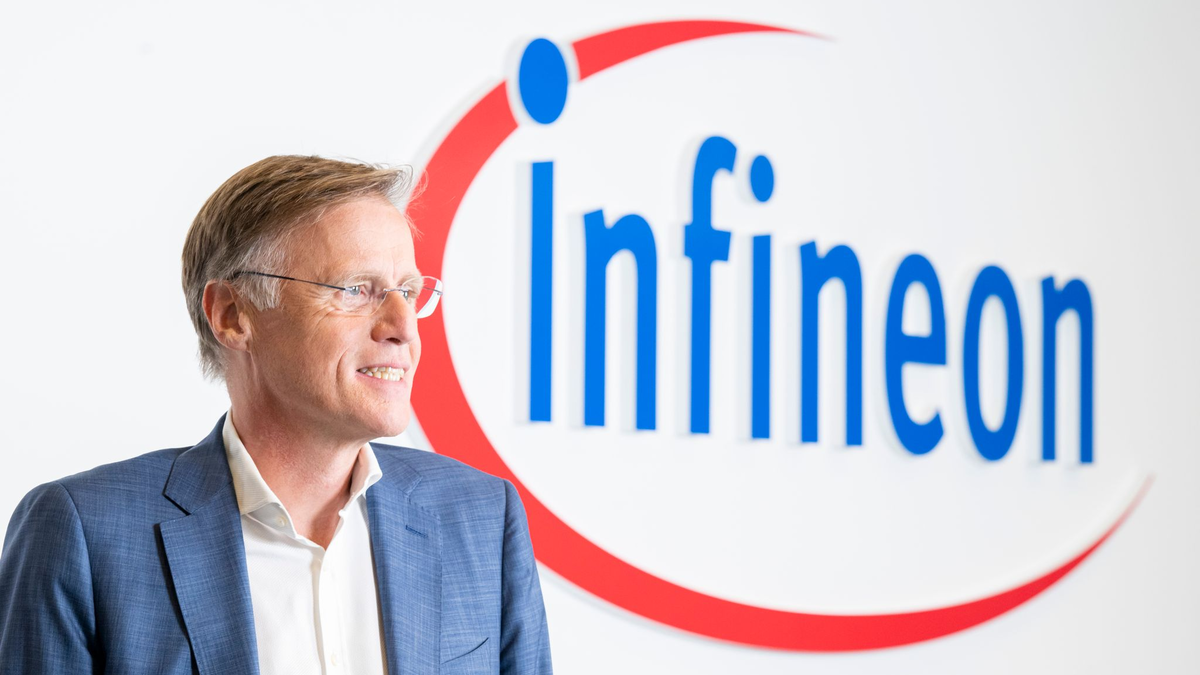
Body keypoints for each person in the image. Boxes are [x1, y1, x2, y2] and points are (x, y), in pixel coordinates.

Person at [0, 156, 553, 674]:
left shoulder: (481, 518)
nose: (404, 328)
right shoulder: (84, 533)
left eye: (408, 292)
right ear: (232, 315)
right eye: (356, 290)